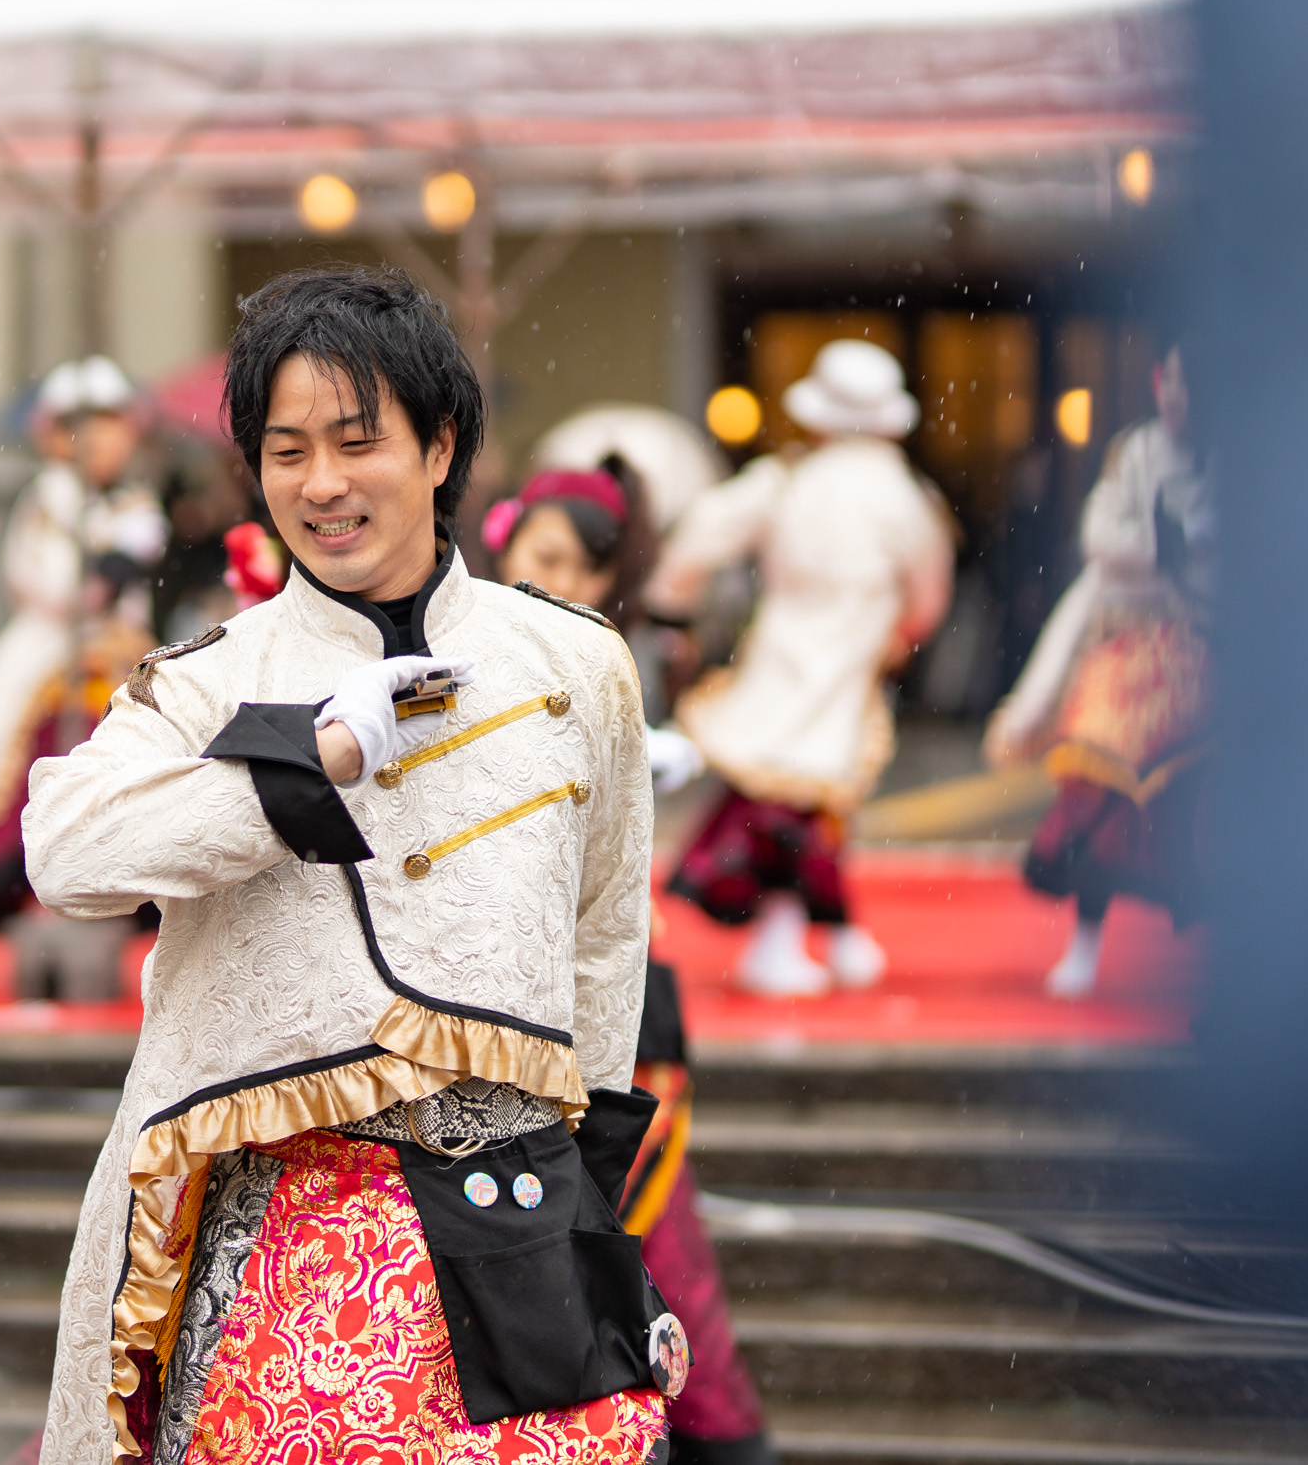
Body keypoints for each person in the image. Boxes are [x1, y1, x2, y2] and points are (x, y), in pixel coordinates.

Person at [25, 267, 680, 1465]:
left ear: (440, 447)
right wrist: (304, 762)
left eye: (355, 441)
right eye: (285, 452)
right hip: (278, 1240)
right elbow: (65, 850)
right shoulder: (212, 675)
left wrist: (585, 1196)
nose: (320, 485)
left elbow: (603, 940)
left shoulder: (577, 663)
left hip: (514, 1224)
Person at [486, 464, 775, 1465]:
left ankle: (713, 1437)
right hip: (495, 1001)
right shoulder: (460, 654)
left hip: (606, 1003)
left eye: (574, 564)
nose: (550, 577)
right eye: (539, 555)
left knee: (658, 1257)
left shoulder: (610, 670)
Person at [646, 340, 955, 998]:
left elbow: (699, 537)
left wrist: (674, 614)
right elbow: (928, 594)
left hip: (783, 656)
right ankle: (796, 939)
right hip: (849, 663)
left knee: (789, 809)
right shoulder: (906, 496)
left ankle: (827, 936)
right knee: (810, 814)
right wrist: (902, 634)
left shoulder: (785, 480)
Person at [0, 356, 168, 1002]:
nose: (105, 441)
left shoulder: (135, 499)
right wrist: (109, 564)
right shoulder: (53, 496)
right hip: (52, 661)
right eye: (88, 427)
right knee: (35, 775)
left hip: (120, 660)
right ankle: (38, 904)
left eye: (115, 426)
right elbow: (45, 580)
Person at [984, 348, 1212, 998]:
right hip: (1122, 652)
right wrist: (1165, 549)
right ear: (1157, 381)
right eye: (1172, 381)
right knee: (1092, 803)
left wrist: (1179, 552)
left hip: (1201, 653)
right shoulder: (1132, 452)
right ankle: (1084, 946)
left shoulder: (1231, 459)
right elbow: (1101, 540)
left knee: (1199, 817)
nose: (1179, 398)